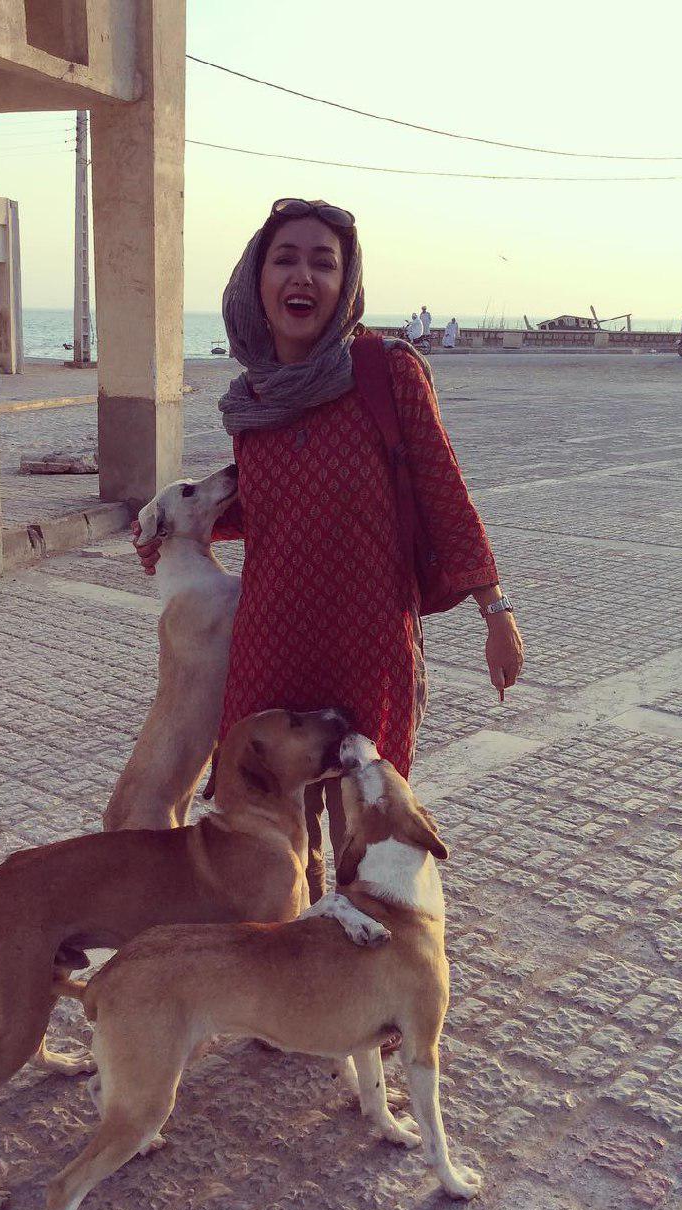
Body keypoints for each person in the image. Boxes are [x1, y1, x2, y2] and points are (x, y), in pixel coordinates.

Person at [134, 197, 524, 899]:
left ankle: (367, 936)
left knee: (363, 812)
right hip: (270, 640)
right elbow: (268, 501)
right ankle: (293, 935)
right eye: (285, 260)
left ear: (346, 284)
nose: (303, 277)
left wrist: (496, 612)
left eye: (324, 263)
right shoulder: (254, 399)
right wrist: (176, 532)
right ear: (257, 280)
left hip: (367, 642)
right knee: (269, 820)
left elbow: (445, 494)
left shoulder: (386, 373)